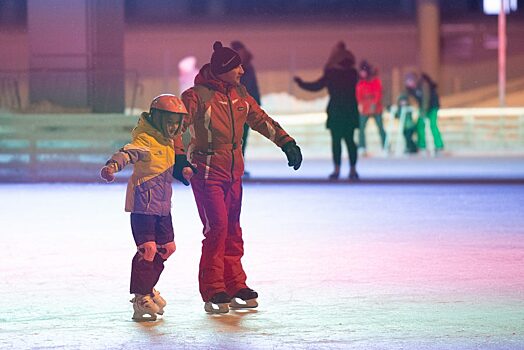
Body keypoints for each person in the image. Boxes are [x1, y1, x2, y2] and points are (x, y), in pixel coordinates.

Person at [181, 41, 302, 314]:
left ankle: (235, 284)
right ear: (223, 69)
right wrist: (179, 159)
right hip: (207, 172)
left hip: (233, 174)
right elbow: (177, 127)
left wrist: (287, 143)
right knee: (218, 228)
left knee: (233, 229)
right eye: (236, 66)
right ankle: (214, 287)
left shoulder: (239, 95)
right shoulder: (197, 97)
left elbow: (261, 120)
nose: (241, 70)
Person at [100, 94, 196, 321]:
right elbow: (127, 152)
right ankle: (141, 296)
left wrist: (184, 171)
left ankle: (148, 287)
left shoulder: (168, 141)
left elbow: (168, 167)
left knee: (167, 248)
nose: (174, 127)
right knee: (148, 250)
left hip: (163, 207)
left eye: (177, 122)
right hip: (143, 205)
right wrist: (112, 166)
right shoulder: (145, 139)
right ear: (158, 118)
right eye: (170, 121)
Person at [294, 41, 359, 180]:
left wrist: (300, 83)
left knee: (336, 141)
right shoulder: (353, 73)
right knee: (350, 141)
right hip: (350, 110)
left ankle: (336, 169)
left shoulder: (332, 73)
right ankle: (353, 170)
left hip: (336, 110)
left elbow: (316, 86)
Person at [230, 40, 261, 178]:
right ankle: (237, 165)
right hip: (245, 107)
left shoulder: (235, 68)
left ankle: (236, 166)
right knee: (241, 138)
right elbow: (254, 88)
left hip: (238, 108)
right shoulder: (247, 66)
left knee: (236, 138)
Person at [404, 72, 444, 155]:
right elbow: (406, 96)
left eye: (410, 81)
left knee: (433, 125)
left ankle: (439, 146)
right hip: (423, 108)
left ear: (413, 80)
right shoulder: (411, 89)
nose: (409, 84)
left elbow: (426, 98)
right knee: (420, 126)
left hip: (432, 107)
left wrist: (424, 111)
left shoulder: (423, 84)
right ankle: (422, 146)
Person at [356, 60, 386, 155]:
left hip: (376, 108)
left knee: (380, 127)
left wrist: (374, 104)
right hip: (364, 108)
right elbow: (358, 95)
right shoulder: (360, 83)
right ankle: (362, 146)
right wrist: (360, 105)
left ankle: (385, 145)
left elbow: (378, 93)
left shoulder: (375, 81)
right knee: (361, 128)